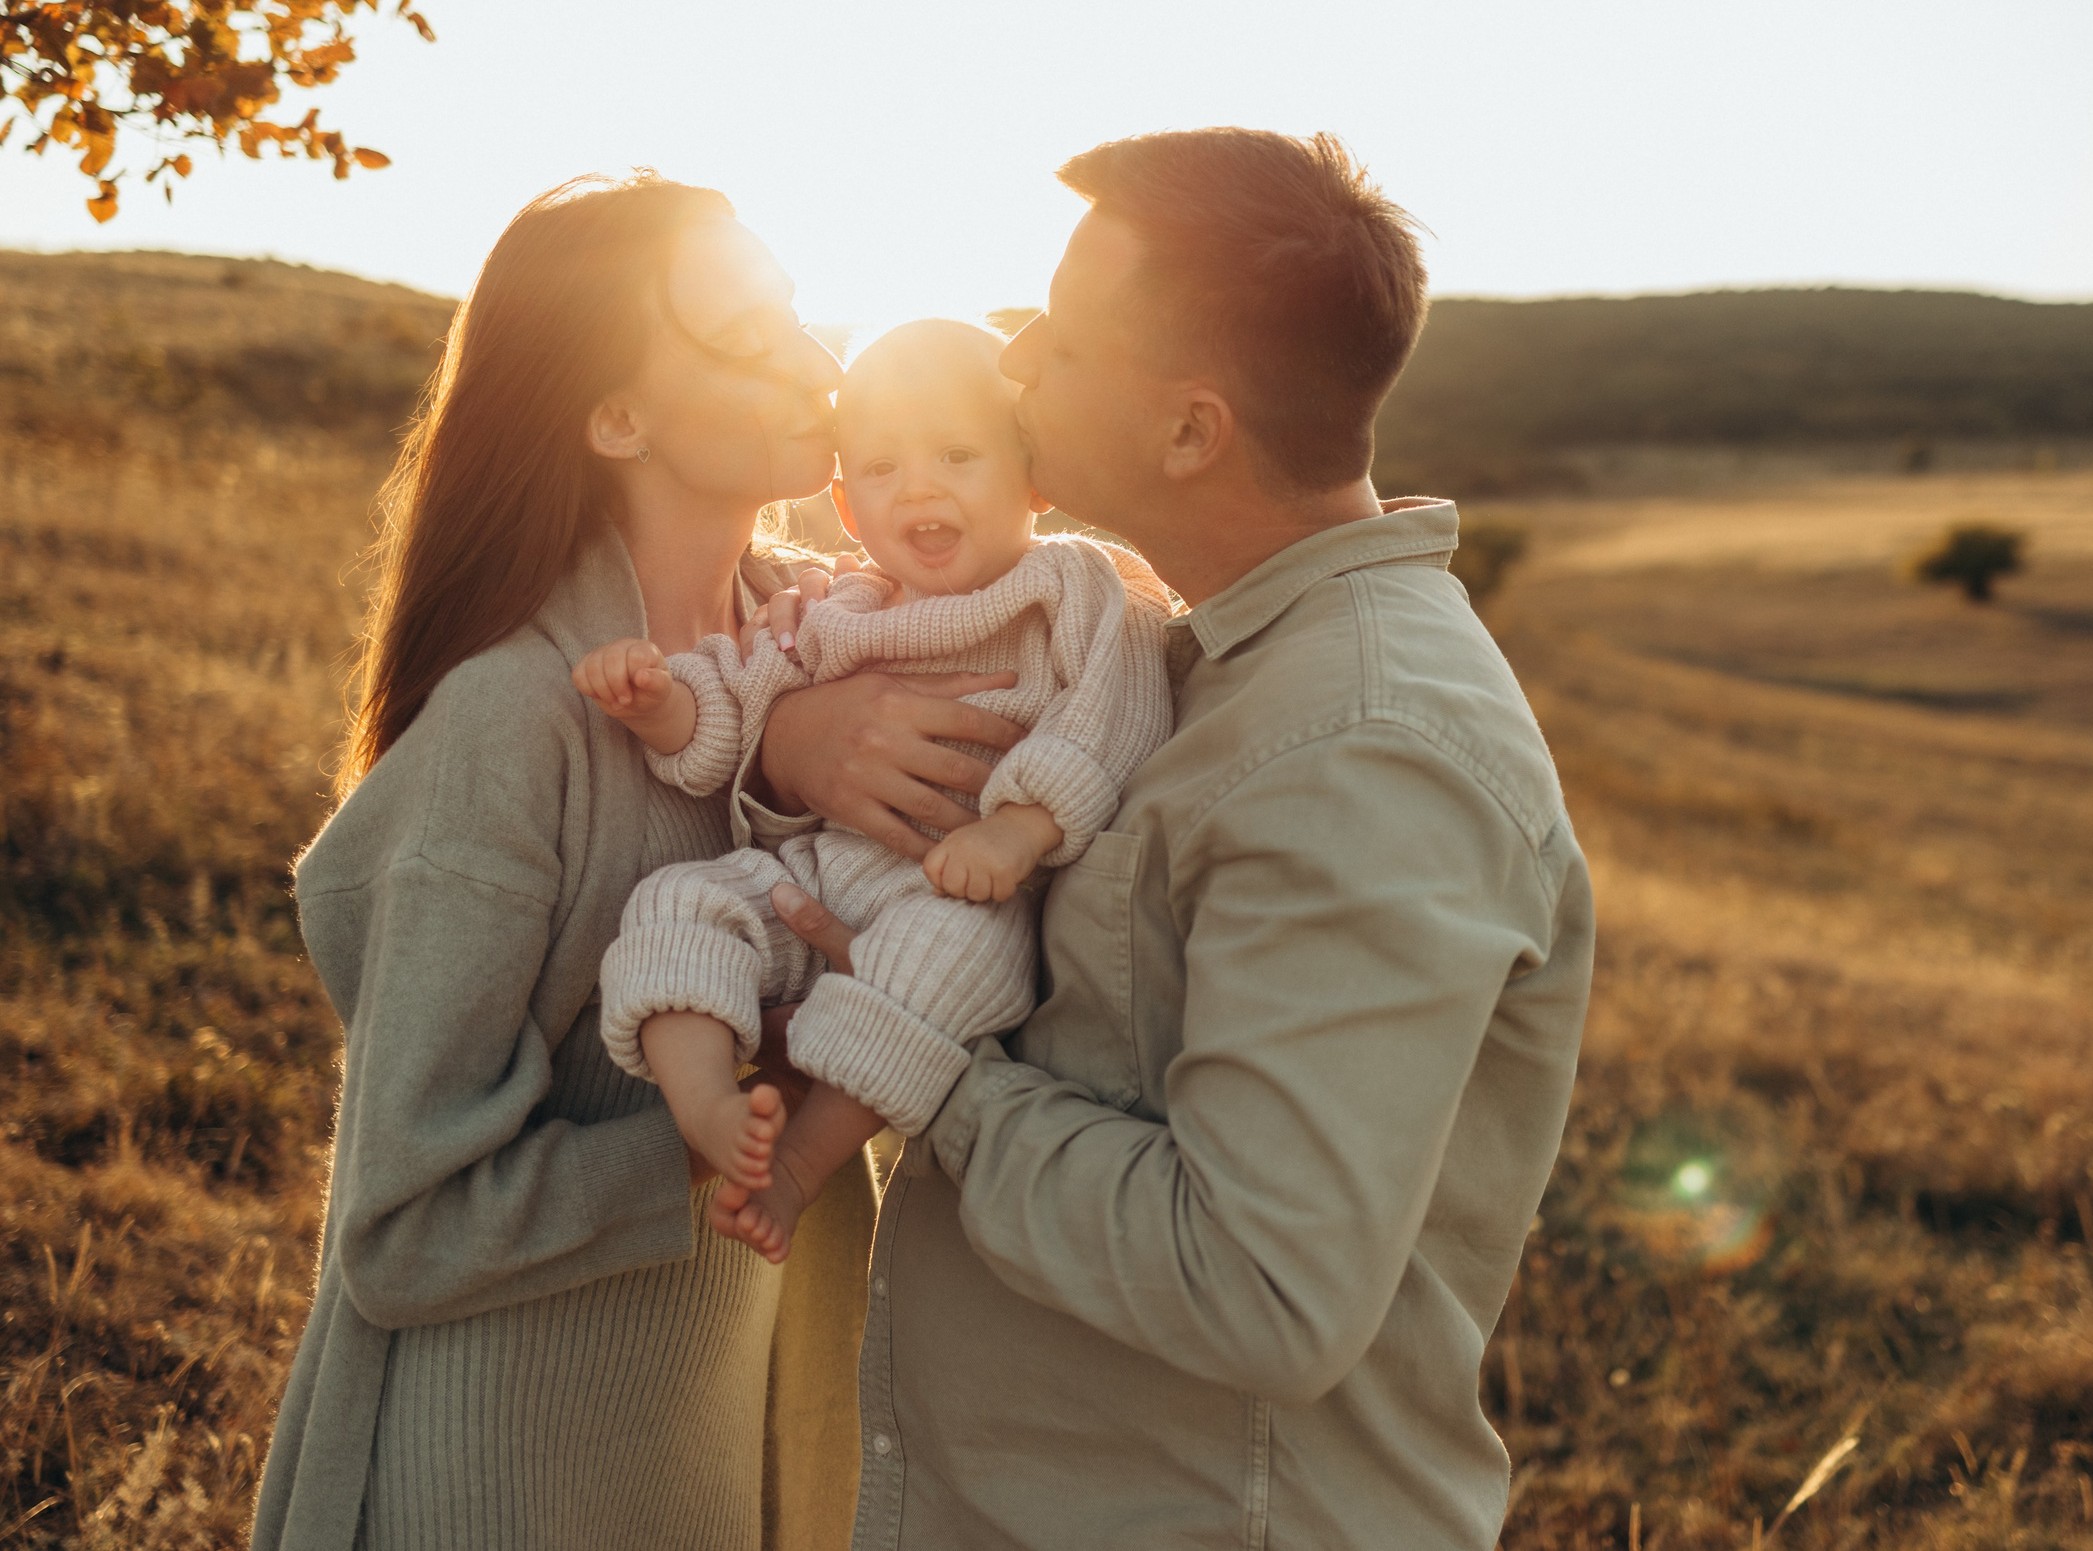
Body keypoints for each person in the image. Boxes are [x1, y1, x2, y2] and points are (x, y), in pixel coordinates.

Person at [766, 128, 1595, 1547]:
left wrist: (922, 1059)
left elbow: (1259, 1281)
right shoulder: (1186, 651)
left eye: (1066, 343)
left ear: (1191, 430)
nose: (1015, 364)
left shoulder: (1363, 749)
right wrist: (799, 740)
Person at [251, 174, 1023, 1551]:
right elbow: (402, 1225)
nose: (821, 360)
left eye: (797, 309)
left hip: (718, 1445)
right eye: (746, 330)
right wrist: (751, 1107)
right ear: (617, 416)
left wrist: (786, 742)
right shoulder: (509, 724)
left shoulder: (841, 631)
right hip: (499, 1476)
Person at [573, 319, 1173, 1264]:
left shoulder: (1073, 588)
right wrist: (659, 705)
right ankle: (710, 1109)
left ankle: (800, 1165)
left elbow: (1115, 711)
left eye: (958, 455)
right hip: (815, 871)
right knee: (678, 900)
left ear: (1035, 478)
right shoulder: (841, 605)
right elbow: (737, 700)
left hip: (962, 891)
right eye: (884, 468)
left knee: (940, 968)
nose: (920, 486)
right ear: (851, 511)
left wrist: (1018, 829)